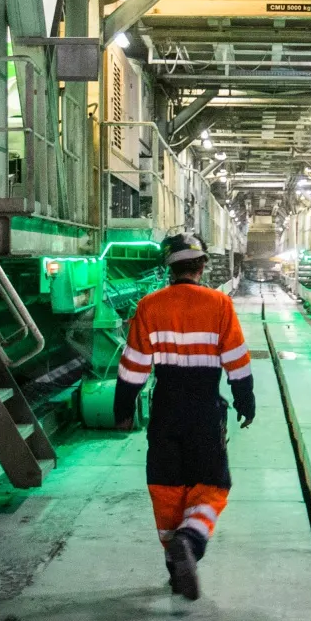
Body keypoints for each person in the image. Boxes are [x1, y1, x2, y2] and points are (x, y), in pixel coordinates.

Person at [114, 232, 255, 600]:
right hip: (205, 411)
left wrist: (123, 408)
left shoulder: (149, 306)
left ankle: (174, 561)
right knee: (212, 485)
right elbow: (237, 361)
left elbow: (133, 368)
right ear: (203, 265)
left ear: (168, 267)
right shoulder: (219, 304)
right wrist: (245, 400)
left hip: (165, 411)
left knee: (166, 490)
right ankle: (190, 542)